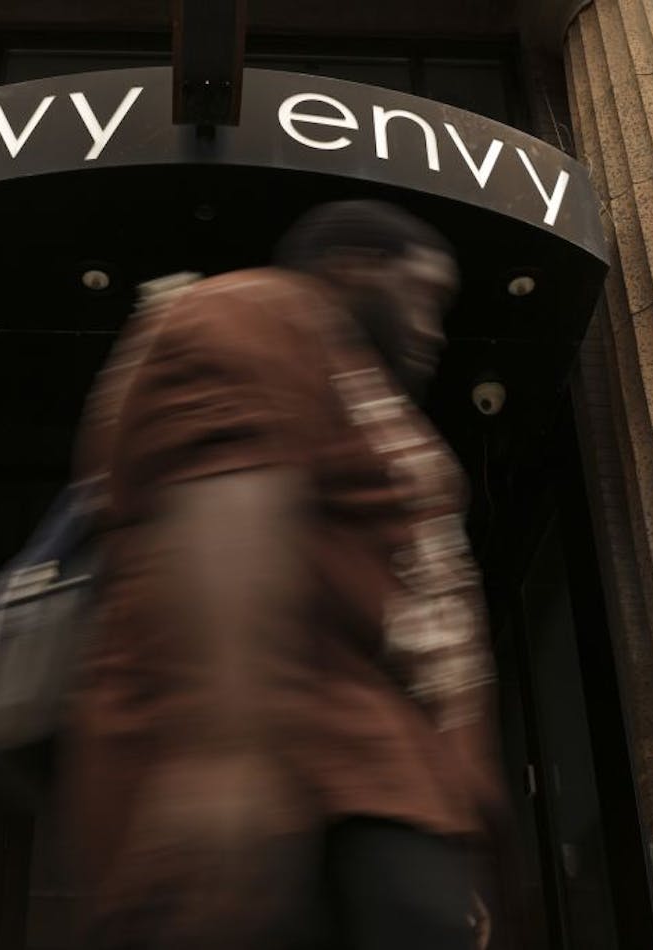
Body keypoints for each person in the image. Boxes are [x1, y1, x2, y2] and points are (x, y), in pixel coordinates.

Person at [64, 200, 514, 950]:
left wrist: (449, 845)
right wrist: (225, 755)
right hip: (293, 803)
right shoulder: (259, 312)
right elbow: (223, 494)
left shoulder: (360, 384)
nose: (435, 329)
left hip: (384, 805)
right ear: (356, 265)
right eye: (426, 294)